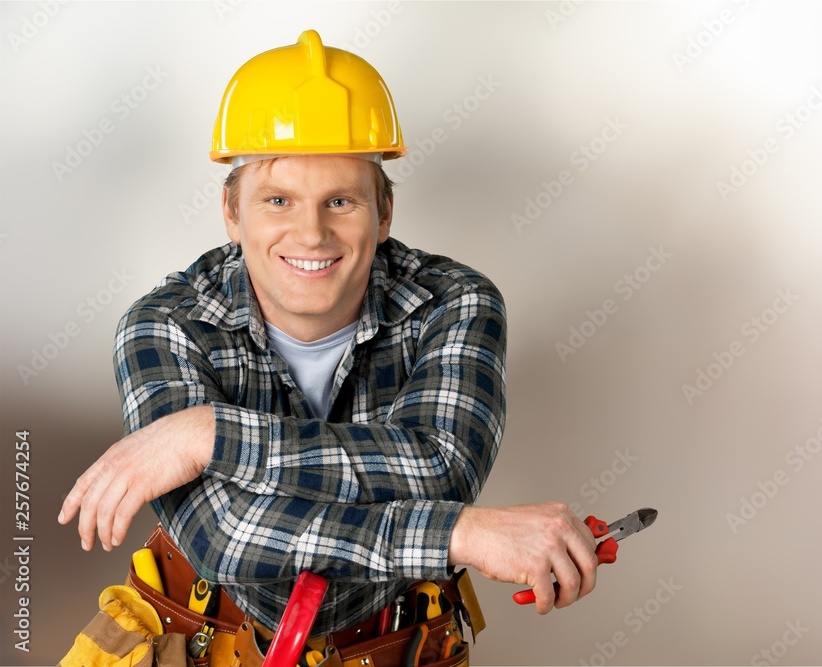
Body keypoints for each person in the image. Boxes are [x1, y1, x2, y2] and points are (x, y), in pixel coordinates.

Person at [57, 29, 599, 643]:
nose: (311, 234)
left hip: (390, 644)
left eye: (340, 200)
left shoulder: (456, 303)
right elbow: (227, 536)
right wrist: (457, 534)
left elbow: (442, 466)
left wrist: (211, 436)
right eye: (279, 200)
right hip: (200, 642)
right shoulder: (166, 326)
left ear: (384, 212)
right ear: (233, 213)